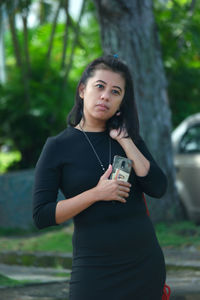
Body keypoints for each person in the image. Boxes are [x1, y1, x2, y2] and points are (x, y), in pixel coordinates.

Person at [32, 55, 168, 300]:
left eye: (115, 91)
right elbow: (42, 215)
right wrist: (96, 194)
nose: (106, 95)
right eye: (100, 87)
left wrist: (125, 140)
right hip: (94, 267)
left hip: (144, 263)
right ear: (83, 90)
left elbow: (158, 187)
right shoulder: (57, 147)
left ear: (121, 102)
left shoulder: (129, 140)